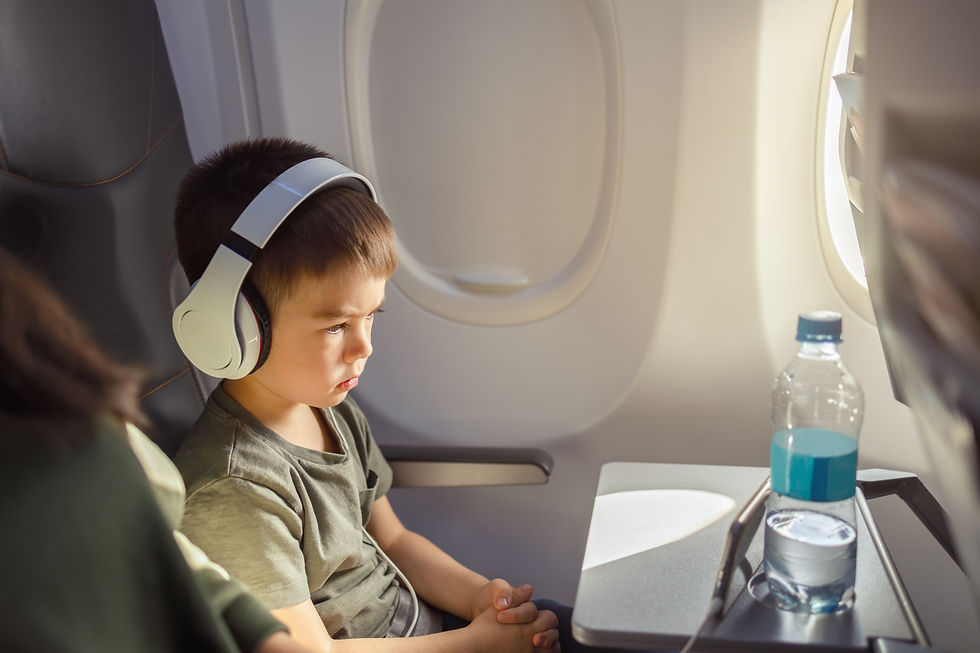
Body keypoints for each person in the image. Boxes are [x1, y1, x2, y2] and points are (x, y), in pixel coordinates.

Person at [171, 137, 582, 653]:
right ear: (234, 326)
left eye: (370, 316)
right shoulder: (235, 489)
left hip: (434, 631)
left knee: (590, 627)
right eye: (337, 326)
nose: (364, 346)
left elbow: (395, 543)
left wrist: (479, 598)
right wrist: (476, 644)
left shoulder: (331, 409)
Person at [0, 247, 313, 653]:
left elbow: (166, 555)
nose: (365, 348)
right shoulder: (230, 476)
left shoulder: (85, 426)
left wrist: (264, 637)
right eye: (335, 325)